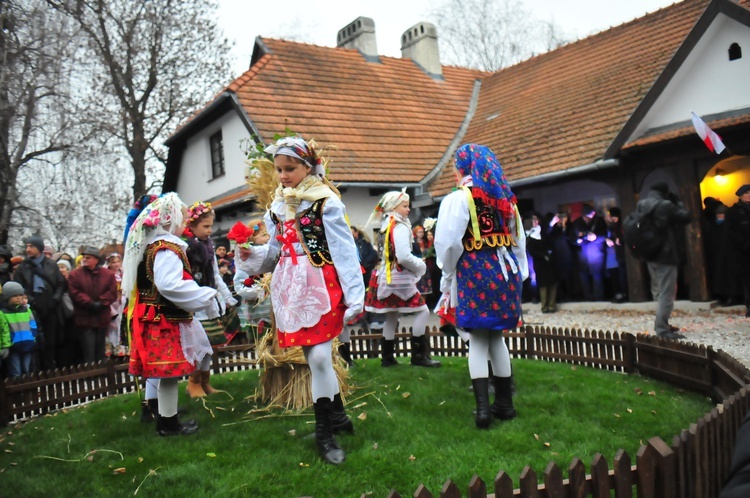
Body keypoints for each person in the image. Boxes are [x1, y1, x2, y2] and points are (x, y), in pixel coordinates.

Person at [234, 136, 364, 465]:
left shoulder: (325, 202)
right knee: (313, 355)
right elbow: (275, 254)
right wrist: (251, 254)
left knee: (319, 359)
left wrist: (355, 294)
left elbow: (345, 252)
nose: (283, 175)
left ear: (307, 166)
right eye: (279, 169)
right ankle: (337, 418)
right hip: (290, 288)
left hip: (320, 285)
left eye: (289, 168)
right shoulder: (277, 207)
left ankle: (325, 433)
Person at [434, 143, 527, 429]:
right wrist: (520, 273)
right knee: (496, 337)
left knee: (477, 339)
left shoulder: (460, 198)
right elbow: (518, 239)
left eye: (454, 167)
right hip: (505, 273)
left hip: (475, 272)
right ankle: (505, 405)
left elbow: (448, 243)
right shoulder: (505, 198)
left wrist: (447, 272)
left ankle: (483, 411)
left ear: (463, 168)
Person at [122, 192, 218, 436]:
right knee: (168, 374)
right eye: (183, 219)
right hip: (163, 319)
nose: (185, 223)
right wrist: (204, 294)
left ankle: (167, 420)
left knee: (167, 375)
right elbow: (169, 285)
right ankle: (167, 423)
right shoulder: (166, 249)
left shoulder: (154, 246)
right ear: (169, 221)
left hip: (157, 316)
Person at [364, 189, 442, 369]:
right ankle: (419, 355)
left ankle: (387, 358)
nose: (409, 209)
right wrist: (420, 266)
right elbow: (404, 256)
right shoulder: (398, 225)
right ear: (393, 207)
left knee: (392, 315)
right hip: (397, 276)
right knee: (422, 311)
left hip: (385, 275)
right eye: (405, 206)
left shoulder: (386, 223)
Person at [183, 201, 238, 397]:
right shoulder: (185, 248)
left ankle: (205, 381)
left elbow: (215, 274)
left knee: (209, 345)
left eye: (210, 226)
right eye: (205, 226)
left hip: (209, 303)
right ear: (191, 226)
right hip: (194, 304)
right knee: (198, 345)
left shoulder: (208, 246)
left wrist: (228, 297)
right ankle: (193, 382)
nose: (209, 230)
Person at [637, 182, 692, 338]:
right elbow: (686, 217)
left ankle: (664, 323)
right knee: (667, 293)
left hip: (650, 254)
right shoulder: (665, 205)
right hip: (665, 255)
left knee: (660, 291)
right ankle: (662, 328)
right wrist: (679, 203)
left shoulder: (642, 204)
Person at [12, 235, 65, 370]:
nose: (28, 249)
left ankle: (50, 368)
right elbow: (20, 288)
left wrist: (55, 299)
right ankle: (37, 371)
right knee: (36, 342)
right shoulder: (22, 268)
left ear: (39, 248)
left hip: (51, 307)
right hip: (32, 309)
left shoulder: (51, 264)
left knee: (51, 341)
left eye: (31, 246)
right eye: (27, 246)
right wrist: (32, 301)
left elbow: (60, 284)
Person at [67, 247, 118, 364]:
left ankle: (102, 375)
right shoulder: (75, 275)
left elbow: (112, 292)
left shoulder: (108, 274)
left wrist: (101, 303)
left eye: (88, 257)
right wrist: (90, 303)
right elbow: (74, 292)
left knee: (101, 350)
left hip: (102, 317)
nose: (84, 259)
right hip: (85, 317)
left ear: (96, 260)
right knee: (88, 350)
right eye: (84, 257)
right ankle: (90, 376)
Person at [230, 219, 272, 345]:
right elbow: (239, 285)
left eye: (269, 235)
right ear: (252, 237)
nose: (267, 238)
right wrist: (260, 290)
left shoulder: (270, 254)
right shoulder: (246, 258)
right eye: (263, 235)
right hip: (257, 312)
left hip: (272, 310)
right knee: (261, 343)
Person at [1, 281, 41, 378]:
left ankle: (27, 390)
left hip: (28, 344)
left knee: (27, 370)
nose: (19, 298)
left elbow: (33, 324)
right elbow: (4, 330)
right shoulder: (3, 313)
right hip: (14, 346)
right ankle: (19, 392)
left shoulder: (27, 310)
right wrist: (5, 346)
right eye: (15, 295)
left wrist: (33, 338)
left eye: (20, 295)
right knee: (16, 372)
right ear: (8, 297)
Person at [570, 204, 607, 301]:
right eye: (586, 217)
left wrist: (595, 237)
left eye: (590, 216)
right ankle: (587, 297)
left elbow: (604, 235)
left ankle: (598, 298)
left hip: (596, 253)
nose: (588, 219)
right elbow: (572, 238)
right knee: (583, 277)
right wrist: (578, 240)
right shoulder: (576, 223)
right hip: (582, 254)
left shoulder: (599, 221)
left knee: (597, 276)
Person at [725, 184, 750, 318]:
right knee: (748, 281)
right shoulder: (733, 212)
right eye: (746, 193)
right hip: (743, 252)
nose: (749, 195)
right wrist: (745, 243)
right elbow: (730, 232)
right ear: (740, 196)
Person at [526, 213, 557, 313]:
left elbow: (550, 242)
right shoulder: (529, 236)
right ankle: (544, 306)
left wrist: (549, 252)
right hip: (539, 263)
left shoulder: (543, 232)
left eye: (536, 220)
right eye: (533, 221)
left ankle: (552, 305)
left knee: (552, 283)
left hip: (549, 261)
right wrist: (543, 255)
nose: (536, 222)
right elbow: (532, 251)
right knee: (543, 284)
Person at [104, 253, 126, 356]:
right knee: (112, 325)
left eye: (118, 262)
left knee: (120, 324)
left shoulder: (123, 273)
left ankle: (120, 347)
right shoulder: (107, 274)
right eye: (113, 262)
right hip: (112, 303)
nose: (116, 264)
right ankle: (111, 346)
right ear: (109, 263)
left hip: (122, 302)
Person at [605, 207, 627, 303]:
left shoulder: (621, 225)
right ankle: (622, 293)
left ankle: (625, 293)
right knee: (620, 275)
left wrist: (620, 240)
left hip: (623, 254)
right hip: (618, 254)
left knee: (623, 275)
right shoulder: (613, 226)